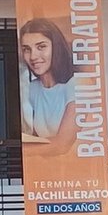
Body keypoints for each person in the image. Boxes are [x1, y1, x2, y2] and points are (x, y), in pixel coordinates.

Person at [18, 16, 79, 155]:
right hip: (44, 165)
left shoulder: (77, 84)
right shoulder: (33, 89)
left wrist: (22, 150)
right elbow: (34, 138)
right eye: (27, 49)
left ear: (56, 47)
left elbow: (62, 145)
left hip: (75, 167)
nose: (33, 56)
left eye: (41, 47)